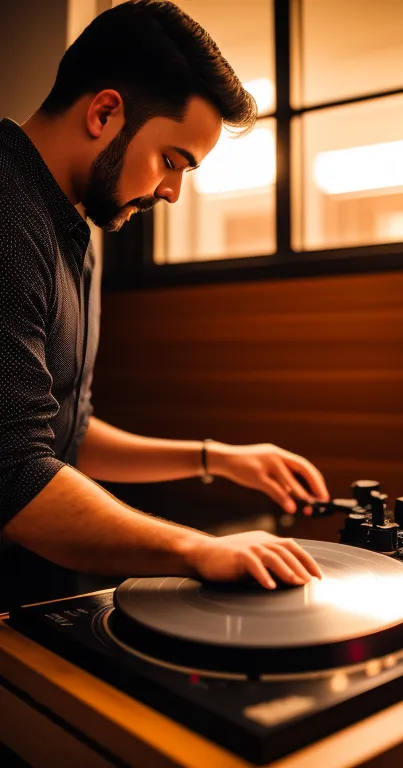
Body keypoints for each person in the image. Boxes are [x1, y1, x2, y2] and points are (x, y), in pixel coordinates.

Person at [0, 0, 329, 607]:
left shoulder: (72, 222)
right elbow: (14, 474)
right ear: (104, 112)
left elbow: (63, 434)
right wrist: (197, 548)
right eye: (171, 161)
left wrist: (218, 459)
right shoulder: (7, 208)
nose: (173, 192)